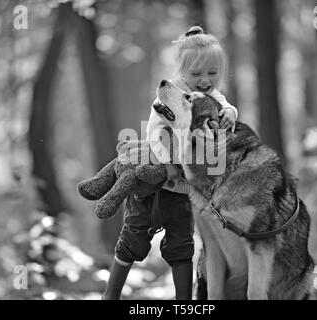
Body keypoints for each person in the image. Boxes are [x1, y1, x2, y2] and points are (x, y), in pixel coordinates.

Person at [102, 26, 238, 300]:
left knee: (181, 242)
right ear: (182, 72)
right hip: (152, 181)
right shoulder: (168, 94)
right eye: (196, 74)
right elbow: (154, 133)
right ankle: (111, 294)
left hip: (181, 190)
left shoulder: (213, 95)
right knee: (134, 236)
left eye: (212, 73)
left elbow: (223, 104)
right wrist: (173, 157)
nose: (204, 80)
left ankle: (183, 301)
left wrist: (230, 113)